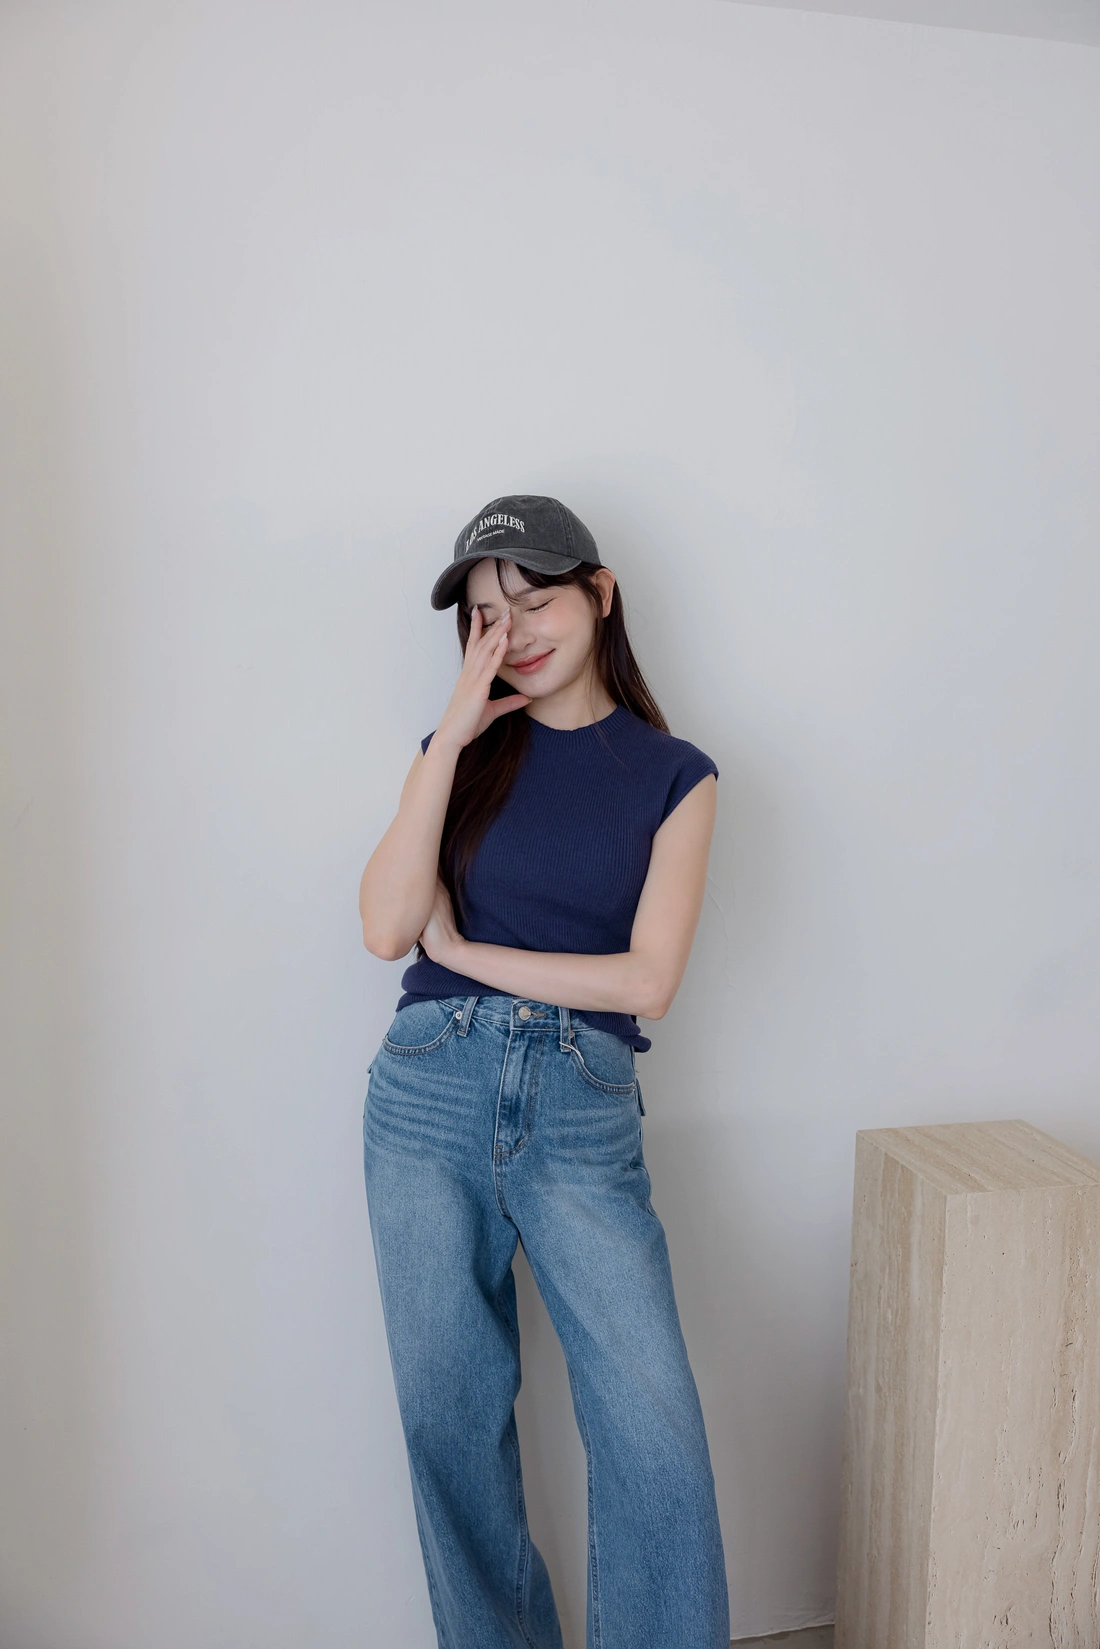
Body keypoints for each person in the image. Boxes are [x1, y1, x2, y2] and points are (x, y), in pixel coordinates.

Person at [358, 494, 729, 1649]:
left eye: (533, 599)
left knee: (651, 1426)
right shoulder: (454, 757)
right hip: (428, 1089)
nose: (510, 630)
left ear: (598, 594)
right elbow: (386, 927)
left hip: (577, 1102)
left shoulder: (675, 775)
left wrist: (469, 953)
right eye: (484, 614)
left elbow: (646, 981)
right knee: (450, 1421)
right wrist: (451, 732)